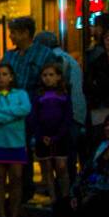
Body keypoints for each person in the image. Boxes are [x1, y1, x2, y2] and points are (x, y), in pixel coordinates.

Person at [0, 62, 32, 217]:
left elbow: (25, 109)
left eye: (5, 74)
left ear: (11, 77)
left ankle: (14, 215)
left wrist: (3, 113)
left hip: (16, 142)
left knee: (16, 179)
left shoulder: (21, 94)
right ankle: (2, 216)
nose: (1, 78)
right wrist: (12, 115)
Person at [34, 30, 87, 178]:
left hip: (66, 113)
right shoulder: (69, 58)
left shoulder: (56, 58)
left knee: (65, 157)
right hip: (78, 111)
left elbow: (60, 87)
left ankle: (66, 192)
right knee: (71, 155)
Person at [31, 61, 73, 206]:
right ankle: (53, 198)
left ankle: (66, 197)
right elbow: (34, 116)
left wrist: (57, 136)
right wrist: (41, 135)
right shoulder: (38, 95)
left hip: (60, 135)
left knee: (61, 167)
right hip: (43, 135)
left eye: (51, 75)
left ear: (58, 77)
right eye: (44, 75)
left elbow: (68, 116)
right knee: (47, 168)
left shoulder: (64, 94)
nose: (47, 78)